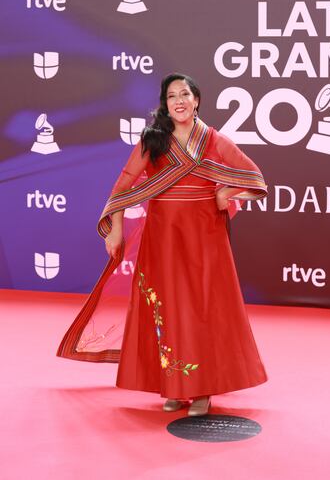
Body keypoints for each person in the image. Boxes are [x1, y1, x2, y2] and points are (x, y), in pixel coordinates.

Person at [57, 73, 268, 416]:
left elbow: (255, 179)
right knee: (167, 308)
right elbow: (124, 185)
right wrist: (116, 228)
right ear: (165, 105)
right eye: (172, 96)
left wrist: (226, 192)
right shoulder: (152, 141)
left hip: (205, 237)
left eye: (185, 94)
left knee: (201, 309)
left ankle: (201, 390)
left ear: (197, 100)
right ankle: (173, 385)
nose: (179, 101)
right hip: (163, 237)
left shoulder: (214, 140)